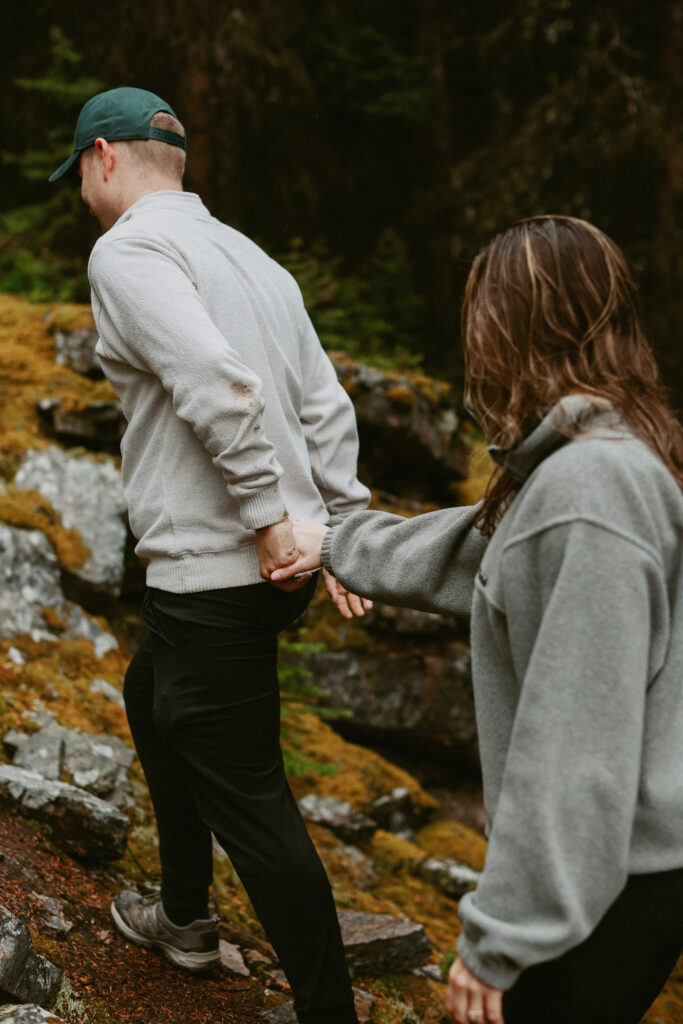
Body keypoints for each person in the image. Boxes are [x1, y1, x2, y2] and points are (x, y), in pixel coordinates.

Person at [272, 216, 683, 1024]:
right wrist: (338, 541)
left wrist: (504, 936)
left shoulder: (587, 491)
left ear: (512, 329)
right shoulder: (600, 457)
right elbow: (489, 552)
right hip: (620, 872)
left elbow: (574, 743)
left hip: (605, 886)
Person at [49, 86, 372, 1024]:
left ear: (103, 157)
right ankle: (185, 916)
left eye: (79, 174)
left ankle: (327, 1011)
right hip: (271, 574)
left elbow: (215, 384)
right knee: (151, 699)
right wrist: (338, 529)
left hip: (221, 570)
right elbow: (324, 405)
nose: (81, 191)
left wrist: (271, 516)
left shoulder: (131, 250)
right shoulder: (254, 259)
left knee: (255, 803)